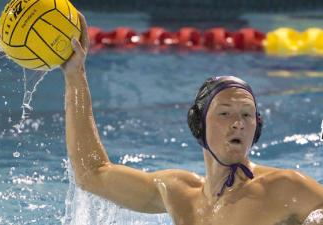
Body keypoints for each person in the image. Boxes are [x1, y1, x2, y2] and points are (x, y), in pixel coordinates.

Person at [60, 13, 323, 225]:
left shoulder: (285, 188)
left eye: (247, 115)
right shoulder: (178, 194)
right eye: (225, 113)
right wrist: (75, 78)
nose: (238, 123)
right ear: (200, 124)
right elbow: (91, 174)